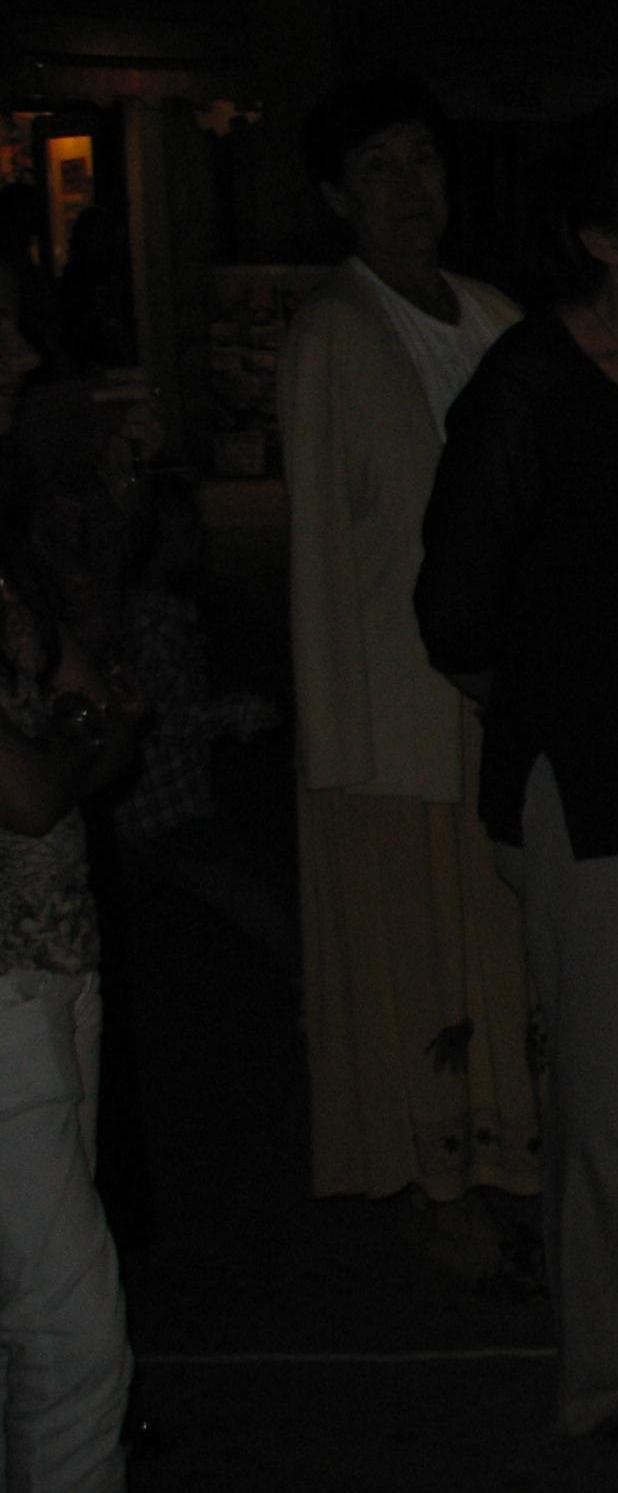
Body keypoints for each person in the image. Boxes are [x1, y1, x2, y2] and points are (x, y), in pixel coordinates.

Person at [415, 102, 618, 1442]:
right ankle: (616, 1369)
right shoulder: (534, 384)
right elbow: (455, 610)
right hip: (594, 785)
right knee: (614, 1096)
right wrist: (554, 698)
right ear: (601, 240)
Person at [279, 77, 541, 1217]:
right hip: (392, 712)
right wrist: (339, 736)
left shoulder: (492, 315)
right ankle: (441, 1185)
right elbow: (321, 552)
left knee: (499, 943)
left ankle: (509, 1157)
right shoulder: (333, 333)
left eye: (420, 161)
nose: (406, 190)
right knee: (415, 955)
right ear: (338, 195)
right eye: (376, 170)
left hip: (496, 692)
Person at [1, 260, 143, 1493]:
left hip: (50, 951)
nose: (21, 357)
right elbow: (29, 786)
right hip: (4, 980)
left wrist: (78, 731)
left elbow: (98, 707)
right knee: (71, 1333)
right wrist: (75, 737)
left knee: (40, 1309)